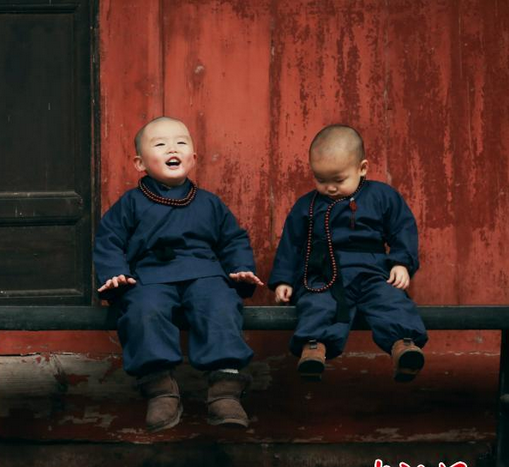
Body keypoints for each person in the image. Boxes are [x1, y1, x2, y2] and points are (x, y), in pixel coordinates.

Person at [93, 116, 263, 432]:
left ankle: (225, 389)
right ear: (139, 163)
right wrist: (115, 273)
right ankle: (159, 388)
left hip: (204, 273)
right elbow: (110, 239)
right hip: (150, 276)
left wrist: (240, 268)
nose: (173, 148)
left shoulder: (209, 203)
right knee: (144, 309)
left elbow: (232, 239)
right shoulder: (130, 203)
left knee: (219, 304)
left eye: (181, 143)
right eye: (160, 144)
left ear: (194, 157)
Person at [269, 124, 428, 382]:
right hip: (323, 274)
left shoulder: (382, 196)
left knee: (391, 300)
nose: (329, 188)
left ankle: (404, 346)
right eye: (321, 180)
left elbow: (403, 229)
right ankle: (313, 347)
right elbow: (292, 243)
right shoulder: (306, 206)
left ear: (362, 168)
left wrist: (401, 262)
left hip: (372, 270)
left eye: (339, 180)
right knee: (316, 302)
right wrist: (284, 280)